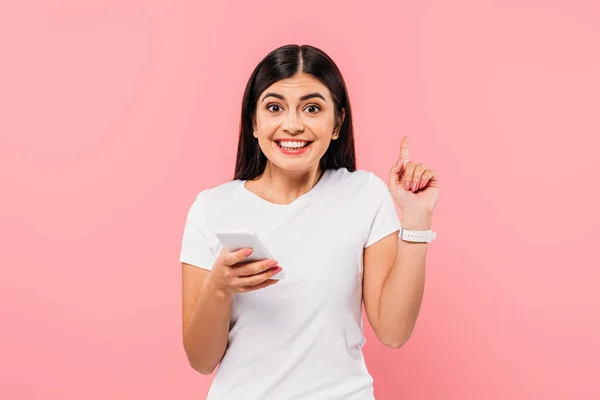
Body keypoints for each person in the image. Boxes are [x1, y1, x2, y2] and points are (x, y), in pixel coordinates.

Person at [179, 44, 440, 400]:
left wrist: (417, 219)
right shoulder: (211, 208)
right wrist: (219, 287)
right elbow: (201, 360)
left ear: (337, 124)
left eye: (312, 108)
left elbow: (394, 333)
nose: (292, 125)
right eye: (274, 107)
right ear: (253, 123)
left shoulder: (363, 195)